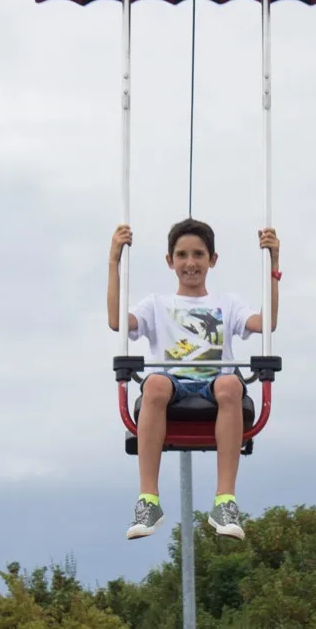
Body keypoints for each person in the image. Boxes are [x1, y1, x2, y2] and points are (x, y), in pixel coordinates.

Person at [107, 217, 281, 541]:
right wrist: (114, 260)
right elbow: (117, 322)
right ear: (170, 260)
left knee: (230, 384)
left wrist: (274, 262)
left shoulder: (226, 304)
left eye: (199, 255)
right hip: (174, 384)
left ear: (212, 260)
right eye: (183, 255)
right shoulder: (157, 305)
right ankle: (148, 500)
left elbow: (265, 323)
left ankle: (225, 501)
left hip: (215, 384)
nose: (191, 263)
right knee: (155, 383)